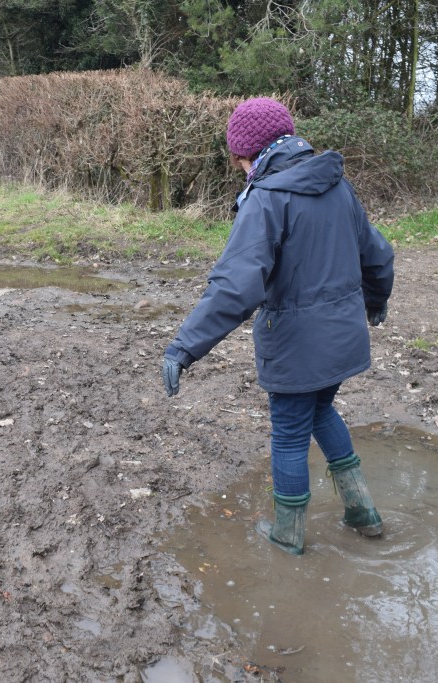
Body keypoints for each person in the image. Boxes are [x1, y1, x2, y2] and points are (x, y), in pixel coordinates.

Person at [161, 97, 394, 556]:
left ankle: (288, 535)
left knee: (288, 431)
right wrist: (376, 299)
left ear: (246, 153)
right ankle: (362, 512)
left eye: (238, 158)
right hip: (343, 337)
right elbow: (378, 254)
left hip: (295, 345)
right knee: (321, 410)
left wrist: (183, 347)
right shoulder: (337, 185)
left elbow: (235, 285)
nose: (239, 167)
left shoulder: (266, 198)